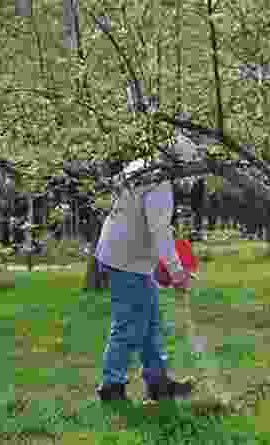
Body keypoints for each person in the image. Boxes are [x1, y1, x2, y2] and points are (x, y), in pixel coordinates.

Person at [94, 154, 198, 403]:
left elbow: (152, 224)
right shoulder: (159, 181)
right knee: (128, 324)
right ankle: (111, 386)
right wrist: (176, 272)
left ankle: (158, 382)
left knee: (150, 322)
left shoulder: (140, 166)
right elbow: (159, 230)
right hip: (127, 260)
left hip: (125, 255)